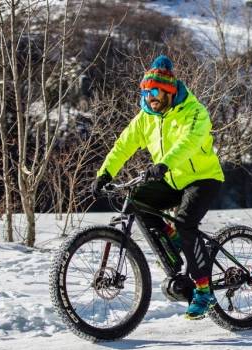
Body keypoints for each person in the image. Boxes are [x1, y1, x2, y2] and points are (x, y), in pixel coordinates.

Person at [91, 55, 225, 320]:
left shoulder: (194, 111)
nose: (150, 96)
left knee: (186, 222)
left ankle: (203, 290)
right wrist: (105, 173)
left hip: (203, 178)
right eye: (145, 91)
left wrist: (164, 163)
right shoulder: (146, 117)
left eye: (155, 91)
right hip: (171, 179)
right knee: (138, 202)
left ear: (169, 90)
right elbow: (123, 144)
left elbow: (189, 142)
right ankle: (172, 238)